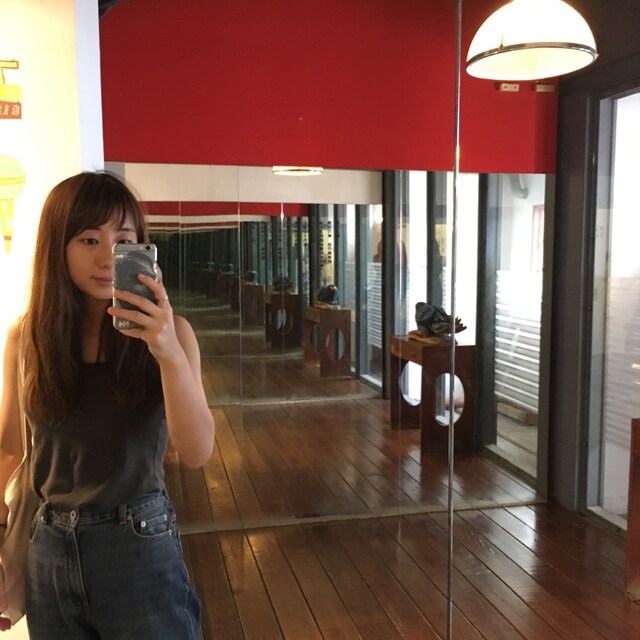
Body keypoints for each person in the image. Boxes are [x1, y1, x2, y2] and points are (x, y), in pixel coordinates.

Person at [0, 171, 215, 638]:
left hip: (137, 542)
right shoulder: (27, 337)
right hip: (48, 546)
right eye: (89, 239)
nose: (106, 257)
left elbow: (196, 451)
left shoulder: (173, 334)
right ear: (57, 247)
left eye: (123, 240)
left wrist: (167, 351)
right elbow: (11, 449)